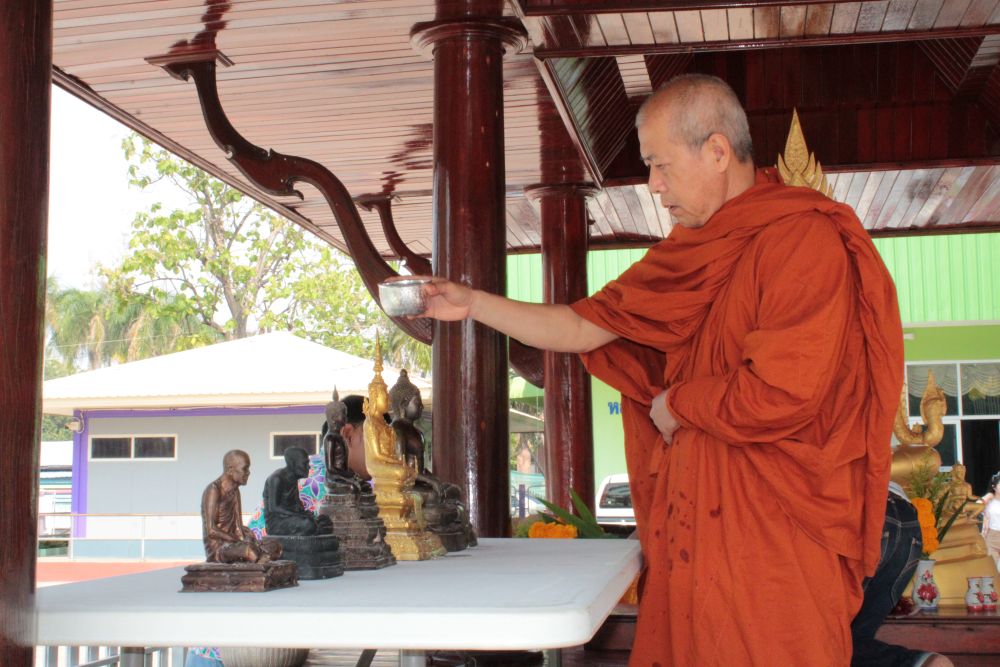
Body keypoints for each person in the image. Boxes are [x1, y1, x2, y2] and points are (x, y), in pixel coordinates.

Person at [420, 74, 904, 665]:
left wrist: (679, 404)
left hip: (772, 541)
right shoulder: (688, 252)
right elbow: (580, 326)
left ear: (717, 151)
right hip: (695, 532)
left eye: (659, 164)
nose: (652, 184)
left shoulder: (803, 240)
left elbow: (783, 392)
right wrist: (473, 304)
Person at [851, 482, 953, 667]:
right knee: (853, 637)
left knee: (824, 635)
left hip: (860, 511)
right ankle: (917, 663)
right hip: (906, 515)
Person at [201, 449, 281, 564]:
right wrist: (238, 540)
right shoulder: (214, 490)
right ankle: (259, 564)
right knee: (249, 550)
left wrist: (249, 536)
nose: (248, 473)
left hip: (234, 543)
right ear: (230, 470)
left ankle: (260, 560)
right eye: (245, 468)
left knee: (274, 545)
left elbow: (238, 527)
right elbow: (211, 530)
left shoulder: (235, 491)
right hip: (219, 548)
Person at [262, 446, 333, 536]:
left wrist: (307, 514)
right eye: (305, 463)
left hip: (293, 518)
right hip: (276, 523)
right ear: (292, 464)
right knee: (308, 524)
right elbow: (274, 508)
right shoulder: (277, 479)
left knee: (325, 521)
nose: (309, 467)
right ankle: (314, 530)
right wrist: (299, 515)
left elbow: (297, 505)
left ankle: (315, 529)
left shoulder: (293, 479)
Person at [983, 472, 1000, 570]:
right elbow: (976, 506)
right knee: (993, 568)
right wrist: (988, 496)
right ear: (994, 486)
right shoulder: (990, 500)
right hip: (992, 535)